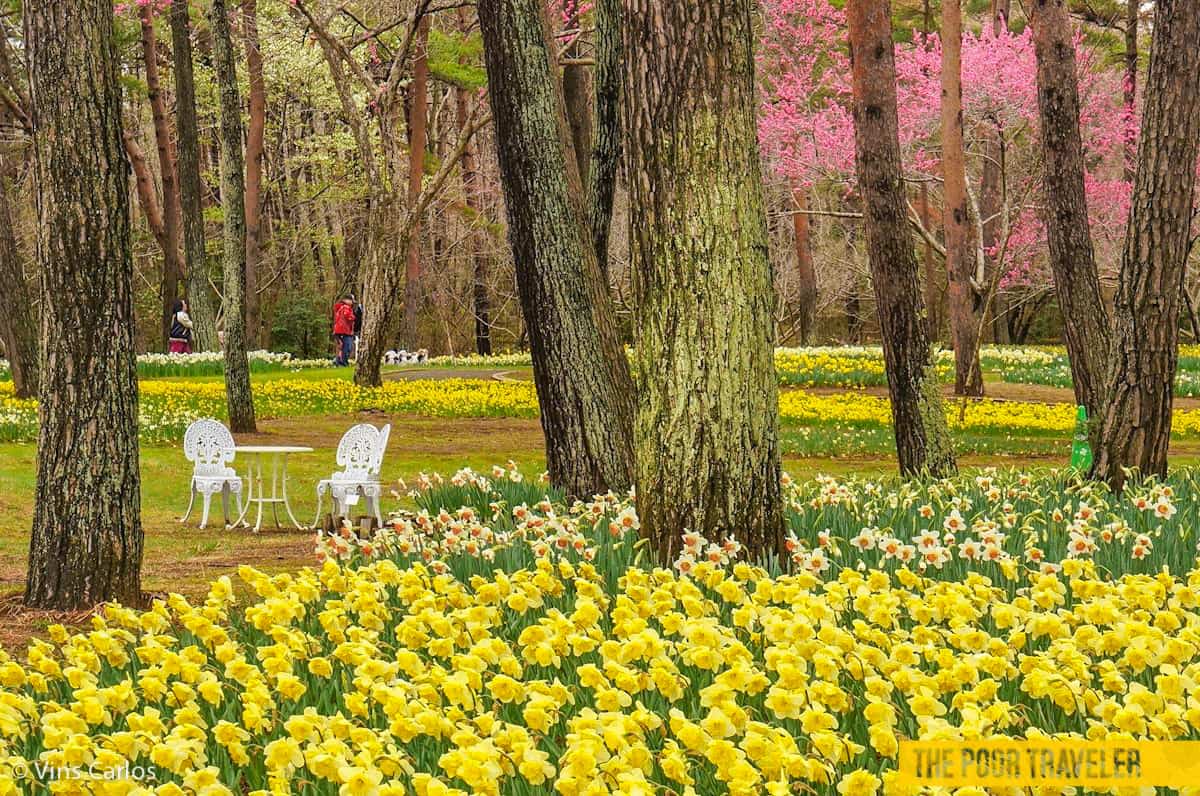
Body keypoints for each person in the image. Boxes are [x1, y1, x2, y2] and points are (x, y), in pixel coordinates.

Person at [331, 295, 356, 365]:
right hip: (344, 331)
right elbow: (349, 316)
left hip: (339, 331)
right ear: (347, 300)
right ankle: (342, 362)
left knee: (342, 346)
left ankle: (338, 361)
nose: (352, 303)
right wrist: (354, 317)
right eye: (352, 301)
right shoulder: (346, 307)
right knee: (347, 347)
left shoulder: (340, 307)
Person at [351, 294, 364, 361]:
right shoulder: (356, 308)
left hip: (359, 329)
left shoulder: (360, 308)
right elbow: (356, 318)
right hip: (355, 329)